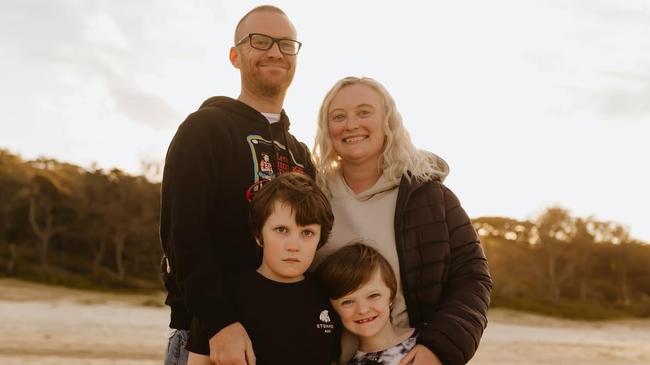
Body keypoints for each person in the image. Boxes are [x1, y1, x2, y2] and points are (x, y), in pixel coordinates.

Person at [159, 6, 314, 365]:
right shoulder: (204, 129)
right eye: (260, 41)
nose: (275, 51)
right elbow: (182, 234)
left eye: (286, 44)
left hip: (285, 333)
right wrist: (220, 323)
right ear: (235, 55)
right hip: (211, 338)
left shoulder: (302, 155)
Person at [311, 76, 492, 365]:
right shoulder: (313, 198)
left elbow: (472, 277)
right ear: (326, 129)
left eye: (364, 112)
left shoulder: (429, 196)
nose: (351, 124)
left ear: (388, 121)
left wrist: (440, 348)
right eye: (338, 116)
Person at [189, 172, 340, 365]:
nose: (294, 245)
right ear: (259, 235)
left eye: (307, 233)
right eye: (281, 230)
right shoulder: (223, 298)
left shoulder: (328, 295)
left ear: (320, 239)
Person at [317, 243, 416, 365]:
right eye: (347, 302)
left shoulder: (432, 340)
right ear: (334, 309)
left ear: (391, 295)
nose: (363, 310)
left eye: (373, 296)